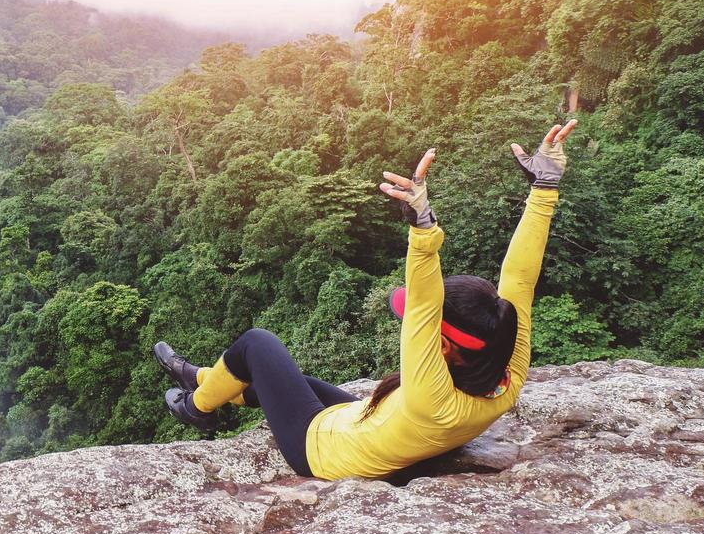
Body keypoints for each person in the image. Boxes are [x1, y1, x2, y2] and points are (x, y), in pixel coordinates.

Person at [157, 120, 577, 481]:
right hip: (370, 425)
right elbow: (520, 279)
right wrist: (545, 188)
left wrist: (423, 228)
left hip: (320, 451)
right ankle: (201, 378)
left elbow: (424, 309)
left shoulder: (429, 394)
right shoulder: (504, 370)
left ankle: (196, 408)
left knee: (257, 344)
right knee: (288, 383)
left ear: (443, 345)